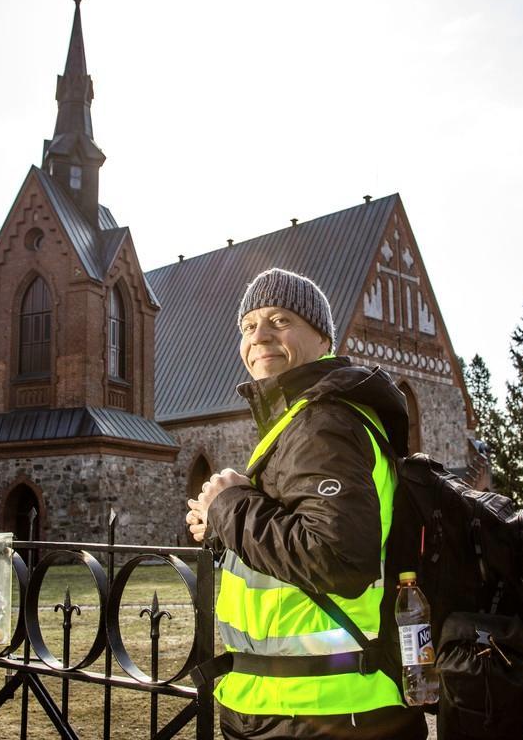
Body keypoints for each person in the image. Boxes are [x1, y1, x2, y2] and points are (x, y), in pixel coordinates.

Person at [186, 268, 426, 740]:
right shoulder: (301, 418)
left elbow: (337, 555)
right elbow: (294, 533)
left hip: (323, 710)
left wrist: (232, 504)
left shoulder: (323, 422)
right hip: (295, 701)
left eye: (280, 320)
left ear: (323, 337)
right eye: (249, 325)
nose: (260, 336)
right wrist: (222, 520)